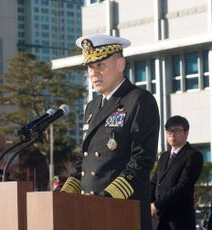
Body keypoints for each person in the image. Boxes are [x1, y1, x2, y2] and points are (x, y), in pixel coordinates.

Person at [60, 33, 160, 230]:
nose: (94, 73)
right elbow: (84, 160)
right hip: (89, 210)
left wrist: (108, 197)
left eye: (101, 65)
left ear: (120, 64)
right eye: (90, 66)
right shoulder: (92, 107)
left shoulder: (139, 100)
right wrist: (64, 194)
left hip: (121, 209)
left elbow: (142, 160)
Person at [150, 115, 203, 230]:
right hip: (159, 219)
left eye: (177, 130)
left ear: (186, 132)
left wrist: (157, 204)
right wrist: (148, 204)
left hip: (179, 220)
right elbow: (154, 182)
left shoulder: (193, 155)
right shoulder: (163, 156)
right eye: (169, 130)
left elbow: (183, 187)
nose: (172, 134)